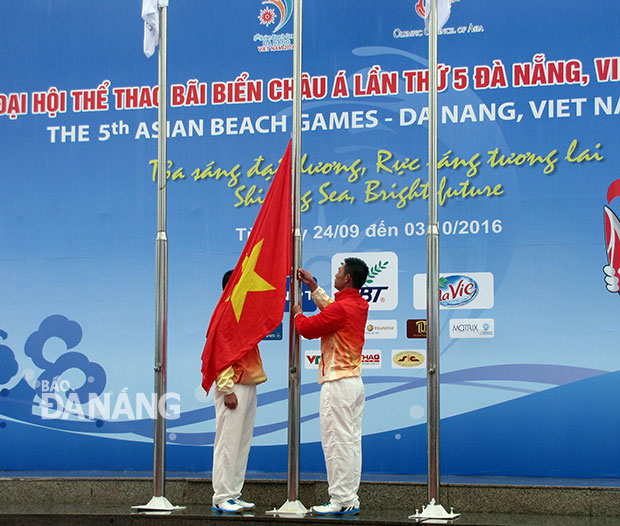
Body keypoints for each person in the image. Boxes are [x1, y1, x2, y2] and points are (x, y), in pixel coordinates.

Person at [291, 257, 369, 516]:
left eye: (339, 271)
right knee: (350, 443)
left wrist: (297, 315)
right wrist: (313, 287)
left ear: (347, 278)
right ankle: (349, 498)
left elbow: (309, 328)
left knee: (337, 442)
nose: (335, 274)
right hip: (353, 383)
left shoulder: (342, 309)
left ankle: (341, 499)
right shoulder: (357, 304)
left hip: (337, 384)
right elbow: (334, 308)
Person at [211, 270, 267, 514]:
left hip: (249, 382)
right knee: (227, 442)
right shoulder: (225, 313)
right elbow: (218, 353)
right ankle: (221, 496)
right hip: (232, 385)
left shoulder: (243, 314)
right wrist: (226, 389)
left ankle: (234, 493)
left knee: (241, 442)